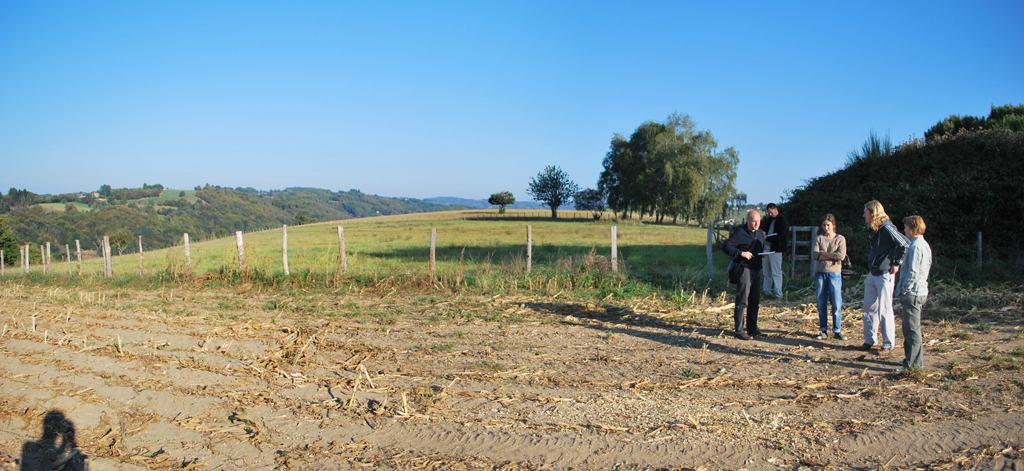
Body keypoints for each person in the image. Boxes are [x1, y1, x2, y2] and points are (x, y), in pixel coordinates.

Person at [860, 200, 909, 354]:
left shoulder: (887, 227)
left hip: (884, 274)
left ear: (873, 213)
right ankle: (870, 340)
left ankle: (888, 344)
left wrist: (896, 263)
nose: (864, 215)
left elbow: (905, 244)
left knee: (885, 309)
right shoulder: (874, 229)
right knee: (868, 307)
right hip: (873, 272)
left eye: (866, 212)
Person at [896, 215, 932, 371]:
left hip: (913, 292)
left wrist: (905, 288)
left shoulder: (916, 246)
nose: (904, 230)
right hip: (917, 291)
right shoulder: (920, 244)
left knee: (912, 330)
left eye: (906, 227)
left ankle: (914, 365)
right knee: (909, 328)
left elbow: (914, 271)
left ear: (912, 228)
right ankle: (909, 359)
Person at [723, 210, 766, 340]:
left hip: (757, 269)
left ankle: (753, 329)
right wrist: (741, 253)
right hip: (745, 269)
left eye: (758, 221)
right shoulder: (740, 233)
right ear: (747, 221)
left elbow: (761, 247)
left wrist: (764, 252)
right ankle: (739, 330)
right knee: (742, 300)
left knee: (754, 301)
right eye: (753, 221)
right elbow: (726, 246)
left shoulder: (760, 233)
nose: (756, 224)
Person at [812, 214, 847, 340]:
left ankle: (837, 329)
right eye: (824, 225)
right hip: (820, 273)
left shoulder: (840, 239)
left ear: (833, 225)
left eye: (828, 225)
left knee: (836, 302)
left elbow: (841, 256)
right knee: (821, 302)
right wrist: (832, 255)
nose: (826, 228)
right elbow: (815, 255)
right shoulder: (819, 238)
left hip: (834, 273)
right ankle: (823, 329)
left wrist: (824, 254)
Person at [761, 203, 789, 300]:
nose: (770, 214)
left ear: (776, 209)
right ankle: (766, 292)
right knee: (766, 271)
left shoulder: (783, 220)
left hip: (776, 249)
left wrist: (767, 237)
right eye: (769, 213)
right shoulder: (769, 220)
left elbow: (780, 236)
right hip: (766, 248)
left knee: (776, 272)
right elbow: (765, 231)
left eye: (771, 212)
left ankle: (778, 294)